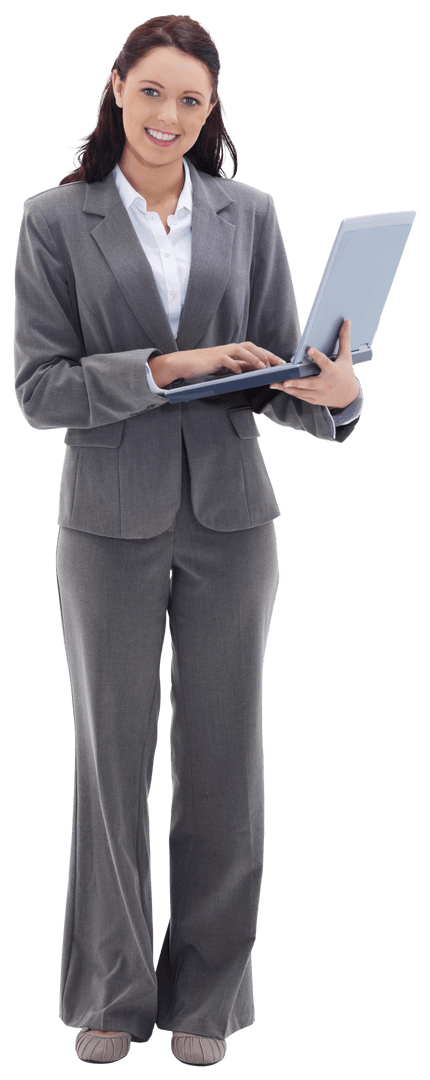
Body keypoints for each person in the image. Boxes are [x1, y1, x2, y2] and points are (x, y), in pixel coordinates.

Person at [13, 13, 363, 1068]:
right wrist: (165, 367)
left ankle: (207, 998)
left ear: (211, 114)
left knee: (225, 769)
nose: (169, 116)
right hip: (106, 524)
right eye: (154, 91)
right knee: (109, 766)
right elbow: (39, 391)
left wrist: (336, 397)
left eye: (192, 100)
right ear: (117, 88)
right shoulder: (51, 219)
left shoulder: (247, 212)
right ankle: (112, 995)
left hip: (230, 523)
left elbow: (271, 375)